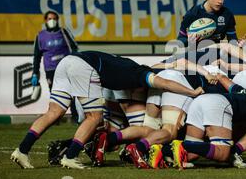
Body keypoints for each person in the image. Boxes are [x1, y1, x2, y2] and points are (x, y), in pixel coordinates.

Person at [11, 51, 204, 170]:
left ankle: (22, 150)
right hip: (85, 68)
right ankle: (70, 156)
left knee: (53, 113)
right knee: (95, 118)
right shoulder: (140, 73)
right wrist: (191, 92)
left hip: (67, 61)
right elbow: (165, 83)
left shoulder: (126, 66)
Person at [167, 83, 246, 169]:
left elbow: (227, 81)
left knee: (192, 155)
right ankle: (182, 144)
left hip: (200, 101)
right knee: (222, 154)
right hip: (217, 104)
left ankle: (161, 151)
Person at [32, 10, 78, 121]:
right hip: (50, 70)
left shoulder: (63, 32)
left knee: (71, 93)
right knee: (54, 95)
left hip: (66, 68)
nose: (52, 21)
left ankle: (75, 116)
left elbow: (74, 48)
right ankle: (54, 118)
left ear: (57, 20)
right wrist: (35, 73)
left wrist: (74, 63)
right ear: (46, 21)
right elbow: (37, 56)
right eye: (49, 19)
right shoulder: (40, 36)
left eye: (54, 18)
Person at [178, 0, 242, 47]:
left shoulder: (227, 15)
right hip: (196, 53)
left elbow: (232, 41)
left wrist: (238, 44)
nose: (220, 1)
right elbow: (180, 41)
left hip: (217, 52)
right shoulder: (192, 14)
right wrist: (188, 41)